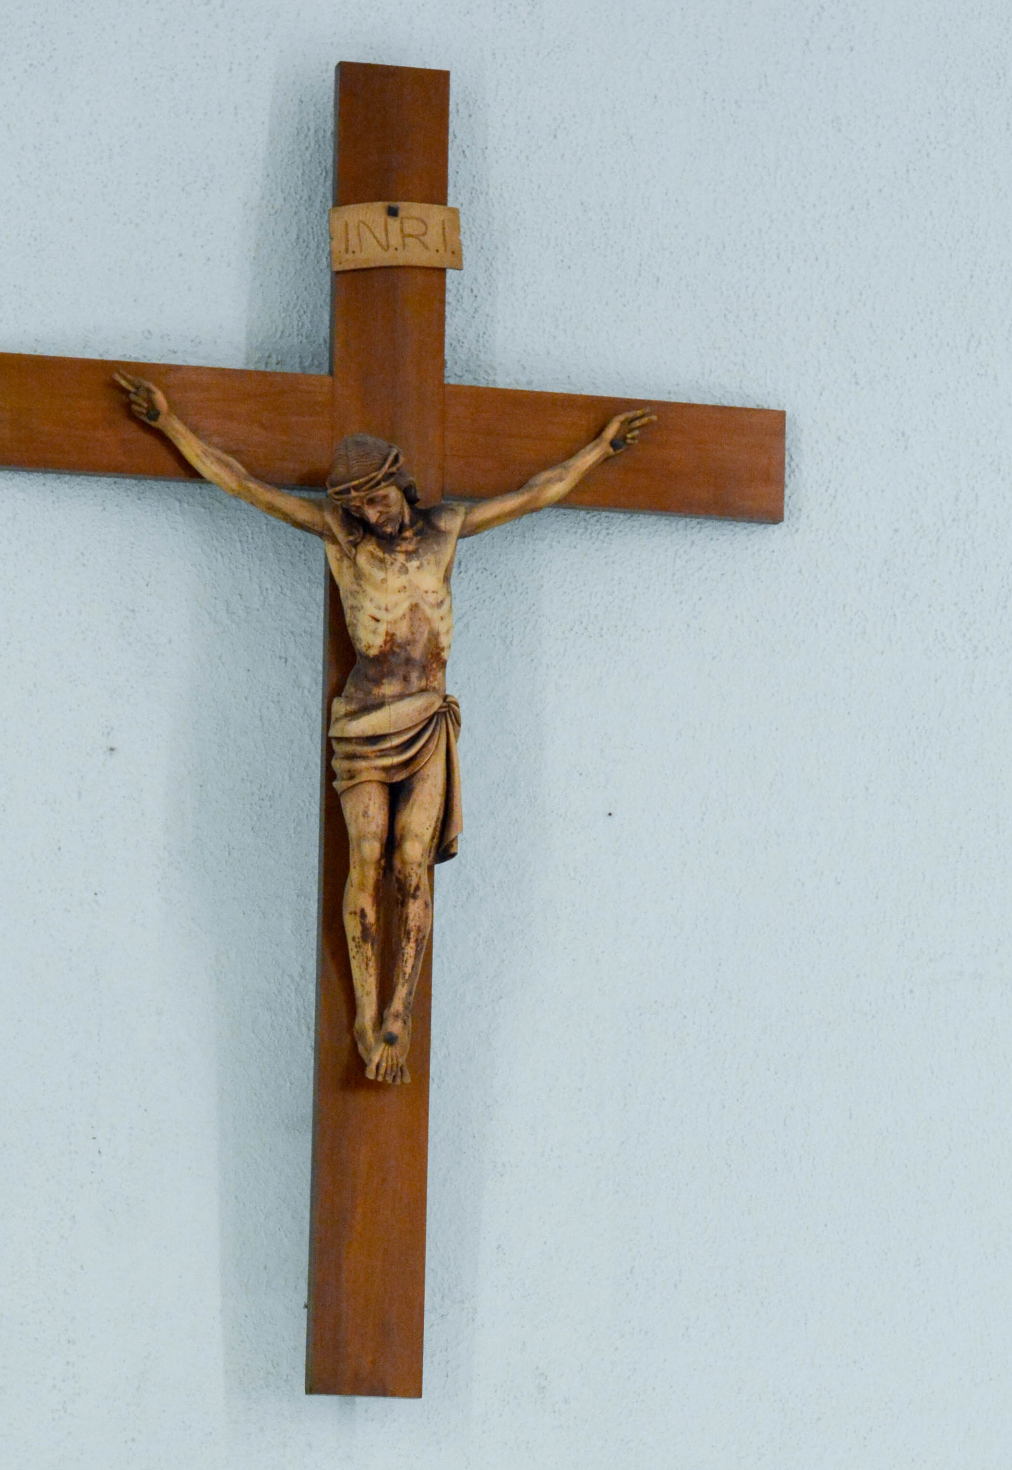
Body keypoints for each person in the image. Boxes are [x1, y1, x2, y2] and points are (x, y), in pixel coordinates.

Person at [114, 374, 651, 1083]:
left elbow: (535, 493)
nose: (371, 514)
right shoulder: (343, 539)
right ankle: (366, 1016)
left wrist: (601, 449)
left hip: (426, 716)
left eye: (378, 498)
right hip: (366, 720)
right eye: (359, 506)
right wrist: (170, 425)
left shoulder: (446, 529)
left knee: (411, 857)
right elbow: (244, 484)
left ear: (401, 483)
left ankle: (400, 1009)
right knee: (366, 854)